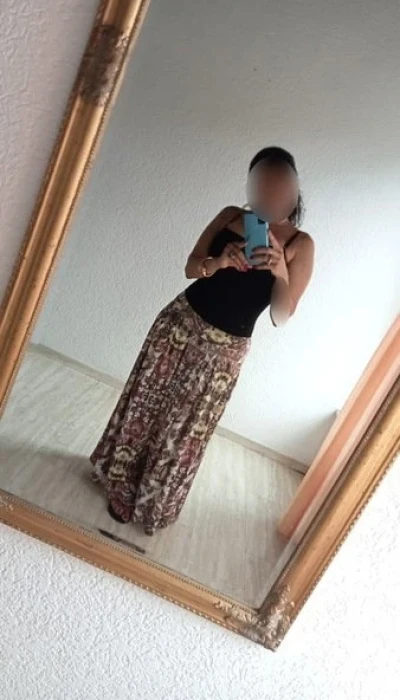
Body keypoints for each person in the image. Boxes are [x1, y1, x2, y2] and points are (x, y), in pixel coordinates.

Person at [90, 146, 315, 535]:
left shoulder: (301, 244)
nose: (271, 194)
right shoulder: (229, 216)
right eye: (263, 185)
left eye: (280, 188)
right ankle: (119, 484)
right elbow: (191, 268)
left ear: (294, 193)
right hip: (178, 324)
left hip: (223, 353)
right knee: (145, 405)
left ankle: (152, 502)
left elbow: (282, 316)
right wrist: (220, 262)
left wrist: (280, 271)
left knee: (183, 430)